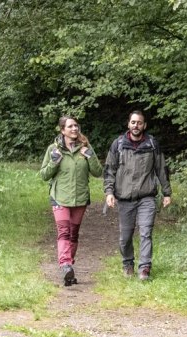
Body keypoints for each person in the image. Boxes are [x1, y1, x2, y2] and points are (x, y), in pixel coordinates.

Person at [103, 111, 171, 281]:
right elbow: (109, 170)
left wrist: (167, 192)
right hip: (125, 199)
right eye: (133, 122)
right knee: (125, 237)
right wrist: (109, 192)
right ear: (128, 124)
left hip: (146, 197)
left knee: (146, 232)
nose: (136, 126)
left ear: (144, 125)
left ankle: (144, 268)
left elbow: (161, 169)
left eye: (139, 123)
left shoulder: (152, 144)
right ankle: (127, 264)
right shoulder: (118, 144)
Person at [39, 115, 100, 287]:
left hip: (80, 198)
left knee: (73, 234)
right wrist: (54, 161)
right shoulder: (53, 149)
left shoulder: (85, 147)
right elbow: (44, 175)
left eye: (76, 126)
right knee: (64, 232)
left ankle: (69, 268)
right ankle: (65, 265)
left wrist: (89, 156)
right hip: (60, 197)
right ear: (62, 130)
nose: (74, 129)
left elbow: (97, 172)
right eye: (70, 126)